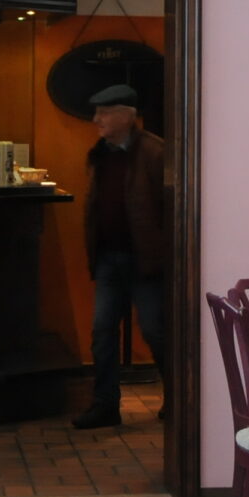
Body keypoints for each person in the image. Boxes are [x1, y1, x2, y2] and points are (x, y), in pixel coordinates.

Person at [72, 83, 168, 430]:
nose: (96, 119)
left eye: (105, 112)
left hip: (145, 261)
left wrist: (163, 254)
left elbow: (171, 209)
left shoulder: (156, 152)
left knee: (156, 331)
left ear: (127, 116)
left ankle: (178, 398)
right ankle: (105, 405)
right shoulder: (100, 153)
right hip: (109, 258)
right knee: (102, 332)